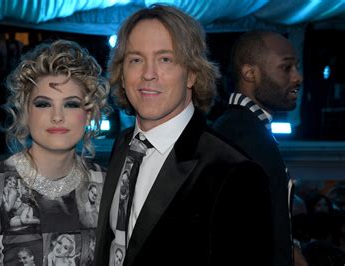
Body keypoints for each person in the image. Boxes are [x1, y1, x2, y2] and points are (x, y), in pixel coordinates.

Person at [94, 4, 273, 266]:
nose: (148, 74)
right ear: (122, 74)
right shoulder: (124, 145)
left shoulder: (235, 173)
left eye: (165, 59)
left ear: (191, 73)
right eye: (135, 60)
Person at [0, 39, 109, 265]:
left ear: (88, 114)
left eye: (71, 104)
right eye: (43, 104)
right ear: (26, 113)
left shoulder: (106, 185)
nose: (57, 116)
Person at [212, 30, 304, 266]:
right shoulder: (239, 134)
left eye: (297, 67)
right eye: (286, 68)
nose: (297, 77)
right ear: (250, 72)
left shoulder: (246, 128)